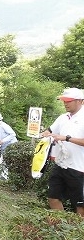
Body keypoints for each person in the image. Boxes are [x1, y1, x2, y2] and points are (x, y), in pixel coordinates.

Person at [39, 88, 84, 217]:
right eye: (64, 101)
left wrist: (67, 138)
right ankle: (62, 228)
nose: (65, 103)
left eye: (68, 101)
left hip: (79, 167)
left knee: (80, 205)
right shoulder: (62, 118)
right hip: (61, 164)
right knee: (53, 197)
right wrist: (45, 134)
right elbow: (49, 130)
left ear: (80, 101)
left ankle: (78, 233)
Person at [0, 112, 17, 179]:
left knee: (5, 160)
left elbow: (13, 134)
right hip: (4, 146)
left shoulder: (4, 125)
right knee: (2, 160)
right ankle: (4, 175)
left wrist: (3, 140)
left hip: (11, 145)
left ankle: (5, 176)